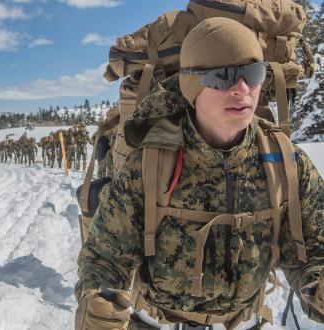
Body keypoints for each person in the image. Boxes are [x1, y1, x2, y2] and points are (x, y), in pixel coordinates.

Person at [75, 18, 324, 330]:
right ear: (192, 84)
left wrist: (318, 286)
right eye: (223, 77)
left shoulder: (284, 161)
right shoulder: (151, 161)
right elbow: (104, 256)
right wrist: (96, 300)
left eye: (253, 73)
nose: (243, 89)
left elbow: (311, 250)